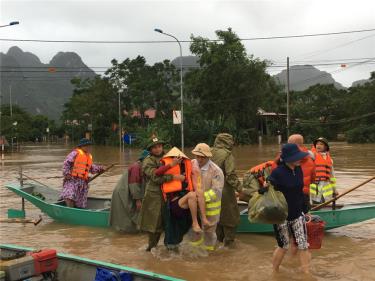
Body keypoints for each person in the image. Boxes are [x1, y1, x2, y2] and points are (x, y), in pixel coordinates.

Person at [265, 143, 311, 274]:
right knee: (283, 246)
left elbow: (300, 192)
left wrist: (306, 210)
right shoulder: (278, 172)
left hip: (297, 214)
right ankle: (274, 272)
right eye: (296, 157)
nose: (299, 159)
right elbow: (268, 187)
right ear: (287, 159)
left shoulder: (298, 170)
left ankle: (307, 274)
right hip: (281, 217)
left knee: (303, 245)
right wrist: (264, 188)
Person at [156, 147, 212, 249]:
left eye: (180, 158)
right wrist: (172, 165)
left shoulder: (188, 164)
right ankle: (195, 223)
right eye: (176, 157)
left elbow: (196, 176)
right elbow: (157, 173)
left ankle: (204, 219)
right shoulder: (165, 163)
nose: (178, 159)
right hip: (173, 202)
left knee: (199, 192)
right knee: (191, 195)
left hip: (185, 199)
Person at [138, 138, 185, 251]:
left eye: (159, 146)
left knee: (171, 222)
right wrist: (173, 177)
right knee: (155, 225)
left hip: (171, 194)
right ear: (150, 149)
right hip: (155, 196)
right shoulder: (148, 161)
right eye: (155, 147)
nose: (158, 149)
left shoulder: (169, 157)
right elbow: (155, 177)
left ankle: (171, 248)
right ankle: (151, 249)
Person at [190, 143, 224, 251]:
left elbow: (216, 191)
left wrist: (201, 198)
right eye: (197, 156)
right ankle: (196, 248)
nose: (199, 159)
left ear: (208, 157)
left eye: (202, 157)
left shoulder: (216, 171)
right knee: (195, 229)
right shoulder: (191, 164)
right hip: (194, 204)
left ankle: (209, 253)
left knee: (209, 231)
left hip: (211, 208)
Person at [211, 133, 243, 247]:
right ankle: (229, 246)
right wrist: (240, 189)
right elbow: (231, 176)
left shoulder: (209, 152)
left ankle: (218, 245)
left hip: (210, 191)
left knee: (216, 218)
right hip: (224, 191)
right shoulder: (227, 154)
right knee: (230, 218)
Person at [109, 150, 149, 233]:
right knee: (126, 214)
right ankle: (125, 233)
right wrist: (138, 200)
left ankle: (129, 231)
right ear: (144, 160)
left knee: (130, 212)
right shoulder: (136, 167)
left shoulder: (143, 167)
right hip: (123, 193)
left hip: (129, 192)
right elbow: (134, 185)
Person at [60, 138, 104, 208]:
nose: (88, 147)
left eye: (89, 146)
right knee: (70, 195)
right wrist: (67, 173)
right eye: (86, 146)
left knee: (80, 201)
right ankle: (70, 209)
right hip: (72, 179)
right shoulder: (75, 153)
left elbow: (91, 168)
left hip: (82, 182)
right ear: (81, 146)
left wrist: (100, 169)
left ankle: (78, 209)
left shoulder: (88, 156)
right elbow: (66, 163)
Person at [310, 137, 337, 204]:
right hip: (315, 188)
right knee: (313, 203)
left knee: (327, 203)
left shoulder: (330, 160)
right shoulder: (311, 156)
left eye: (321, 144)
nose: (318, 145)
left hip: (326, 188)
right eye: (317, 144)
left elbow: (332, 176)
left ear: (325, 147)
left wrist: (334, 190)